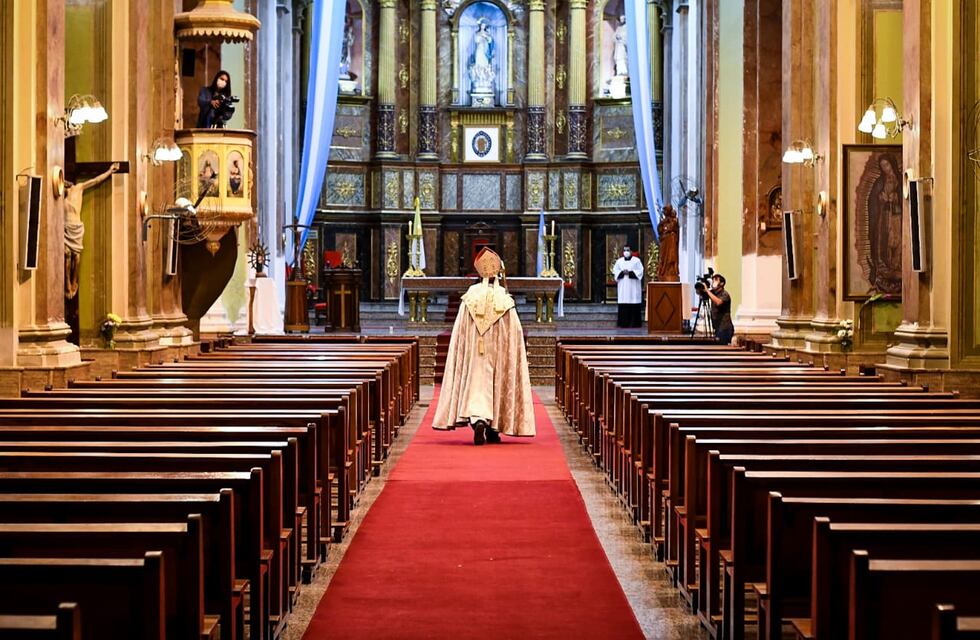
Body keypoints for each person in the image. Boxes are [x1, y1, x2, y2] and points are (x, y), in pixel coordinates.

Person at [433, 247, 535, 445]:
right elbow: (514, 333)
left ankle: (477, 419)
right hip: (497, 352)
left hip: (474, 352)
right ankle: (493, 428)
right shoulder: (504, 300)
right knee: (496, 382)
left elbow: (460, 332)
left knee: (476, 383)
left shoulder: (470, 297)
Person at [613, 245, 644, 328]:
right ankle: (623, 323)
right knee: (624, 304)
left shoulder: (636, 261)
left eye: (628, 250)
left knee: (633, 302)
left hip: (633, 287)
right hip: (623, 287)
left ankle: (634, 324)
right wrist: (622, 273)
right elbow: (615, 271)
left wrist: (630, 273)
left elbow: (640, 271)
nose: (626, 252)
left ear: (631, 251)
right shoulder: (619, 261)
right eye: (624, 250)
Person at [705, 272, 734, 344]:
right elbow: (701, 293)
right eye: (713, 280)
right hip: (717, 327)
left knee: (723, 347)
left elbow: (718, 302)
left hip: (725, 327)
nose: (713, 281)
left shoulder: (725, 294)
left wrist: (707, 291)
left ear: (722, 283)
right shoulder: (713, 293)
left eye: (716, 280)